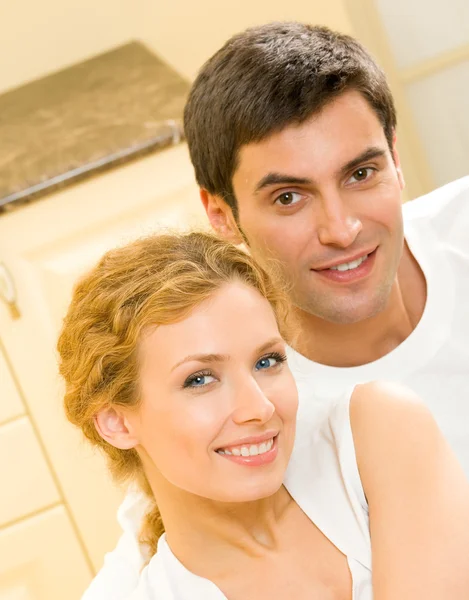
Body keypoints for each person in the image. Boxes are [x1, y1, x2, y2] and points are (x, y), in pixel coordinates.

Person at [78, 21, 469, 598]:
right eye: (289, 197)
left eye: (361, 174)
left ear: (394, 157)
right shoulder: (260, 422)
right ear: (222, 215)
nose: (343, 229)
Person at [58, 231, 469, 600]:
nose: (259, 408)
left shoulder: (375, 437)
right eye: (200, 379)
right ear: (117, 422)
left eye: (267, 361)